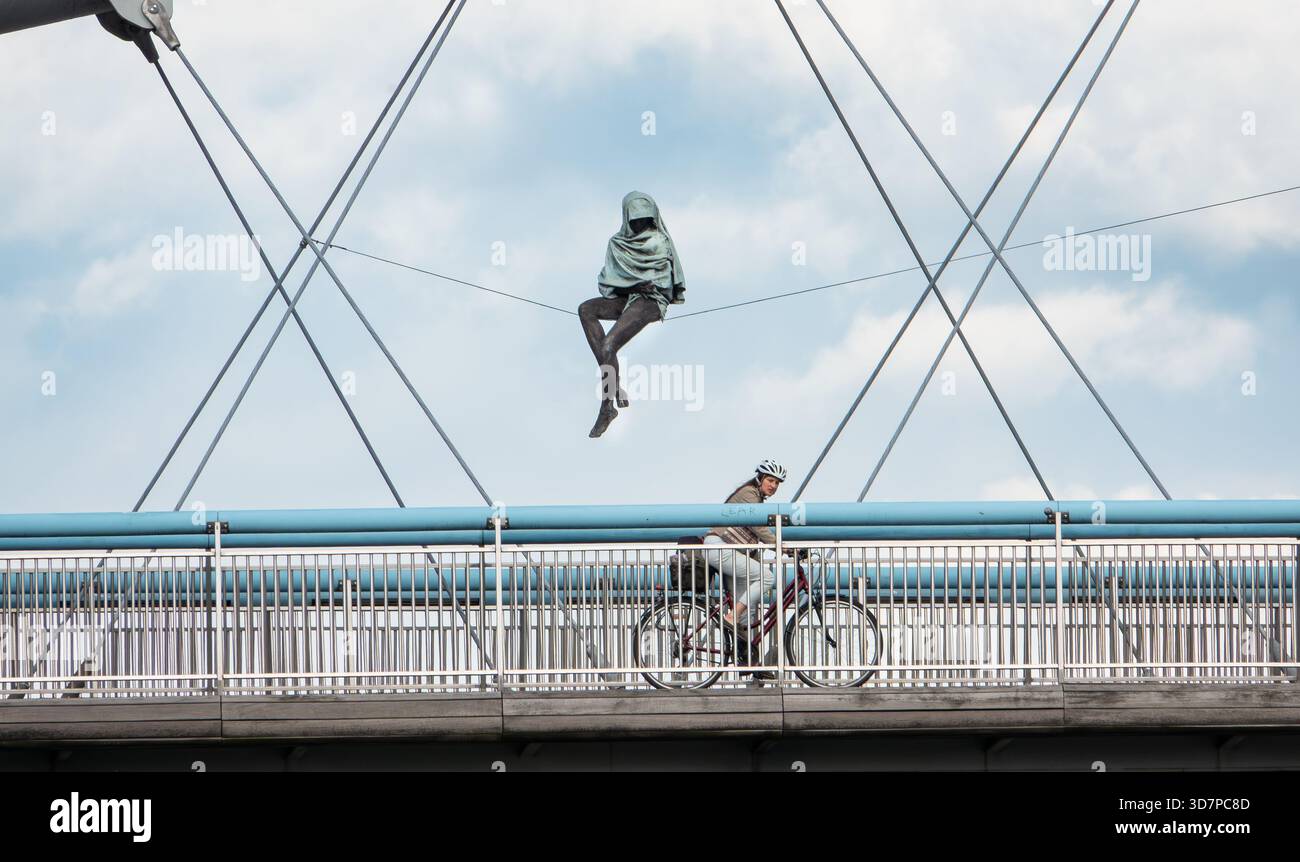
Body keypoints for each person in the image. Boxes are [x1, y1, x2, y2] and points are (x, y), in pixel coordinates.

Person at [578, 191, 685, 438]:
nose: (640, 224)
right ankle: (613, 385)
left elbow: (661, 283)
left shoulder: (659, 240)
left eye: (645, 219)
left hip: (650, 302)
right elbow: (611, 280)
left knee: (608, 347)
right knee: (586, 309)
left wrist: (639, 287)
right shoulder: (617, 243)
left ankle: (607, 406)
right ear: (627, 218)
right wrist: (633, 285)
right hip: (627, 297)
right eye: (635, 220)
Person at [702, 459, 789, 679]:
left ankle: (752, 664)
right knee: (766, 577)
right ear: (760, 479)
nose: (774, 486)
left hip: (733, 553)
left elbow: (753, 542)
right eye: (770, 480)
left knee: (748, 610)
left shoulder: (757, 499)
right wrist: (781, 545)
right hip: (719, 547)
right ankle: (730, 617)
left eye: (777, 483)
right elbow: (757, 526)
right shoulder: (749, 494)